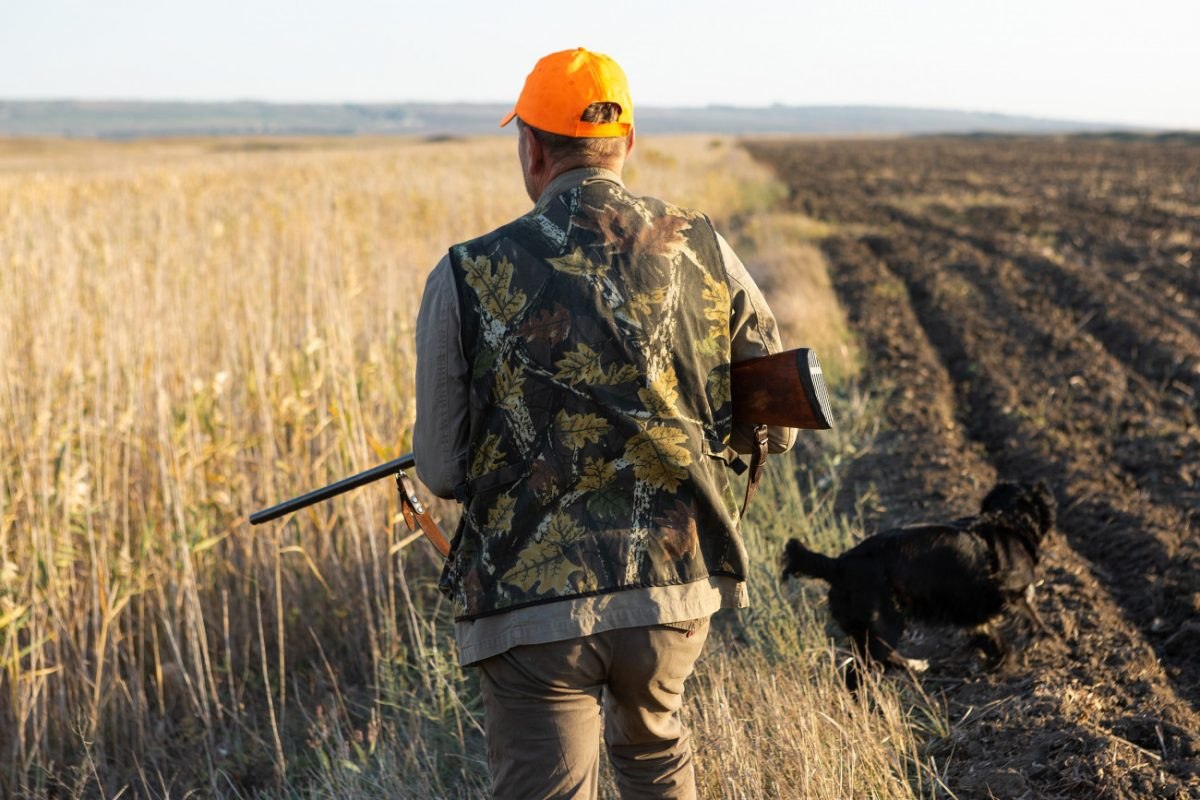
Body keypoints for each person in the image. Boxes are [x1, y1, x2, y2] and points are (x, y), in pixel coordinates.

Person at [414, 47, 794, 800]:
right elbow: (777, 428)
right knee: (656, 762)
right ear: (627, 143)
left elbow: (443, 472)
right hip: (673, 590)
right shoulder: (707, 249)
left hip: (530, 607)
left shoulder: (465, 272)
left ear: (532, 149)